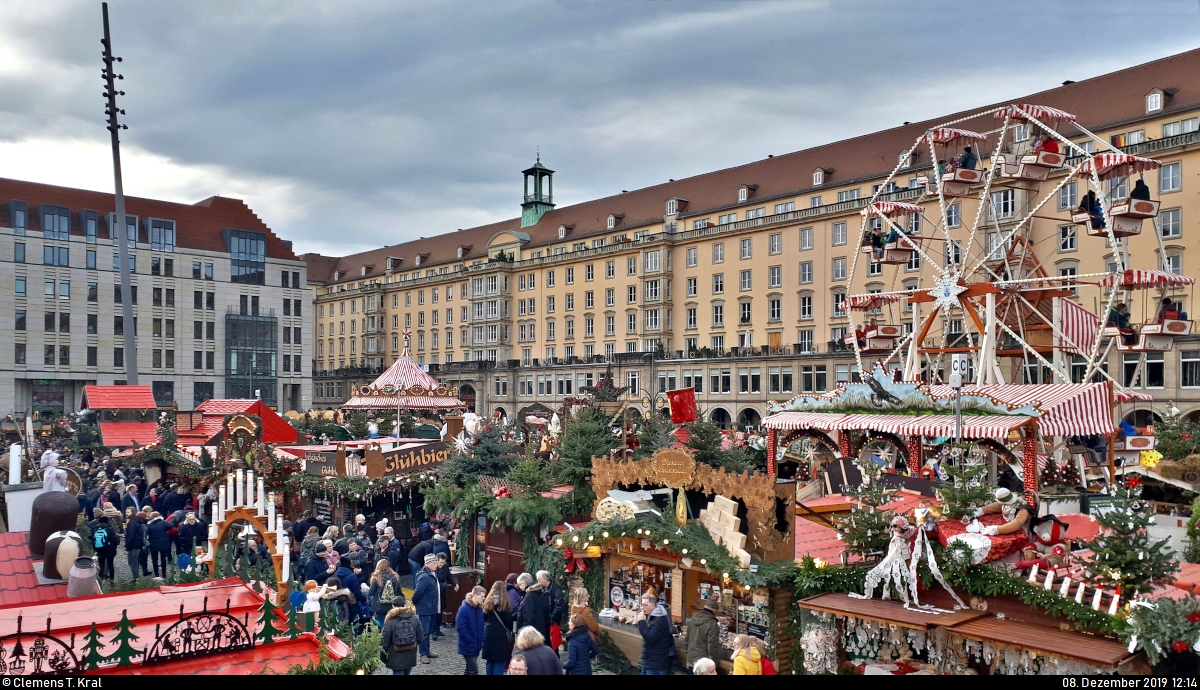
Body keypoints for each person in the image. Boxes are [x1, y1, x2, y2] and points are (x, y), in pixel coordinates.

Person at [381, 594, 423, 675]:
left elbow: (385, 643)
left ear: (393, 606)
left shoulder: (390, 622)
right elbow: (420, 638)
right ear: (405, 605)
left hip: (395, 658)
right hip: (410, 657)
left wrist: (383, 658)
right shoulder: (414, 619)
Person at [636, 592, 674, 675]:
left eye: (645, 605)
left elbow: (650, 638)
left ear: (652, 605)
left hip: (655, 665)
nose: (642, 608)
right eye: (642, 605)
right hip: (649, 662)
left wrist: (641, 622)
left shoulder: (659, 620)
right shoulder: (651, 616)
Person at [412, 553, 441, 664]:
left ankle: (427, 651)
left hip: (431, 607)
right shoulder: (424, 576)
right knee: (424, 632)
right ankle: (423, 654)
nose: (436, 565)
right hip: (425, 608)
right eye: (434, 563)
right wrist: (414, 602)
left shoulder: (432, 573)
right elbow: (418, 592)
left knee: (427, 631)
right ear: (428, 564)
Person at [482, 580, 514, 675]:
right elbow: (508, 620)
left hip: (489, 632)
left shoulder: (488, 601)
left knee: (490, 661)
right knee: (499, 661)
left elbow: (485, 618)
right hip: (500, 634)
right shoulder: (505, 603)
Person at [456, 585, 487, 675]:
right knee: (473, 671)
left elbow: (482, 625)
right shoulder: (464, 609)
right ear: (475, 596)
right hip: (468, 645)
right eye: (482, 596)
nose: (484, 598)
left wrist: (482, 638)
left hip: (476, 645)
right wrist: (471, 641)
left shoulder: (479, 609)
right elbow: (461, 628)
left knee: (469, 669)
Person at [515, 572, 551, 643]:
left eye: (519, 584)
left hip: (532, 630)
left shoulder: (530, 595)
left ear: (523, 583)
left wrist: (525, 631)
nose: (519, 587)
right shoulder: (540, 592)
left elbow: (528, 615)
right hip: (542, 628)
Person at [686, 601, 723, 671]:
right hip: (704, 665)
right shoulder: (712, 624)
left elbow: (686, 641)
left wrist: (688, 661)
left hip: (691, 662)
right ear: (714, 611)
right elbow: (712, 646)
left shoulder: (692, 620)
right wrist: (714, 664)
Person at [87, 507, 119, 580]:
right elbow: (114, 539)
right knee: (110, 565)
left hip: (100, 549)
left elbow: (93, 538)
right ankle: (112, 580)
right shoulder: (109, 528)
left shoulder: (97, 528)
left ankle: (101, 579)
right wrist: (114, 546)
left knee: (101, 565)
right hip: (110, 550)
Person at [369, 559, 403, 626]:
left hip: (380, 606)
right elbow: (399, 591)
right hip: (392, 605)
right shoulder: (394, 577)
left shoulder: (376, 578)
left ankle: (384, 636)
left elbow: (370, 592)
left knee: (382, 623)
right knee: (392, 623)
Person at [434, 553, 459, 637]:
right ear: (436, 561)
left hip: (442, 592)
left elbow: (449, 576)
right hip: (435, 592)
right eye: (440, 562)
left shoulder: (445, 567)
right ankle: (434, 630)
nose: (442, 564)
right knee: (435, 612)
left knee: (440, 611)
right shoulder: (433, 568)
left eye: (443, 562)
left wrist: (455, 583)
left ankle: (437, 629)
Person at [145, 512, 173, 578]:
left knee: (154, 559)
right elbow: (171, 526)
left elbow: (146, 534)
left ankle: (156, 574)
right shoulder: (163, 523)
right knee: (163, 559)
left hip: (153, 543)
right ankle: (164, 574)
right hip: (163, 543)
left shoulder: (149, 525)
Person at [124, 512, 148, 579]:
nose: (126, 513)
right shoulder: (138, 522)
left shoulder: (132, 523)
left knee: (132, 562)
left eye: (128, 512)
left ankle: (136, 578)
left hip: (133, 546)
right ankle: (137, 576)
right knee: (135, 561)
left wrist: (127, 548)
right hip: (138, 545)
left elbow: (130, 537)